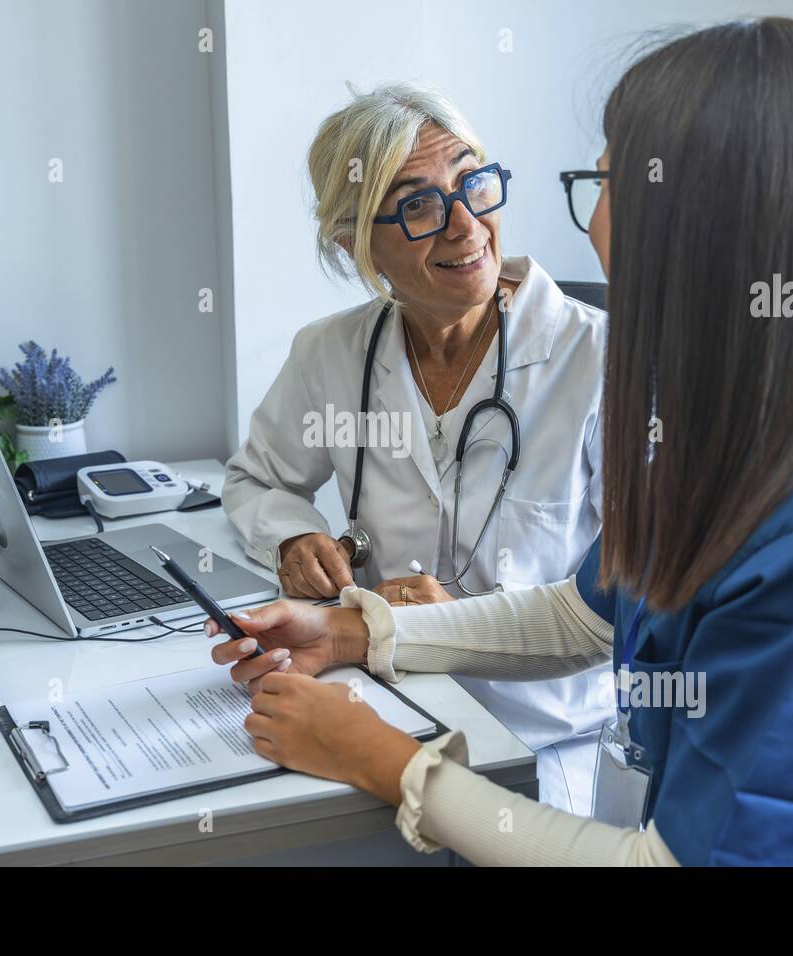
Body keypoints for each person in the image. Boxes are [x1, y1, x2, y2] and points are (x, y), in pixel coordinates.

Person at [209, 18, 793, 865]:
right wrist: (357, 634)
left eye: (608, 180)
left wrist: (385, 761)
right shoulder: (745, 444)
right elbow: (587, 611)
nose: (588, 220)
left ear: (705, 229)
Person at [222, 83, 610, 812]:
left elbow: (626, 616)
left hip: (547, 748)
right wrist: (292, 535)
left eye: (474, 185)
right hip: (382, 704)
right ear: (355, 242)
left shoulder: (601, 362)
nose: (466, 227)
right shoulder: (331, 353)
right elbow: (253, 481)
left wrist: (439, 622)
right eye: (419, 205)